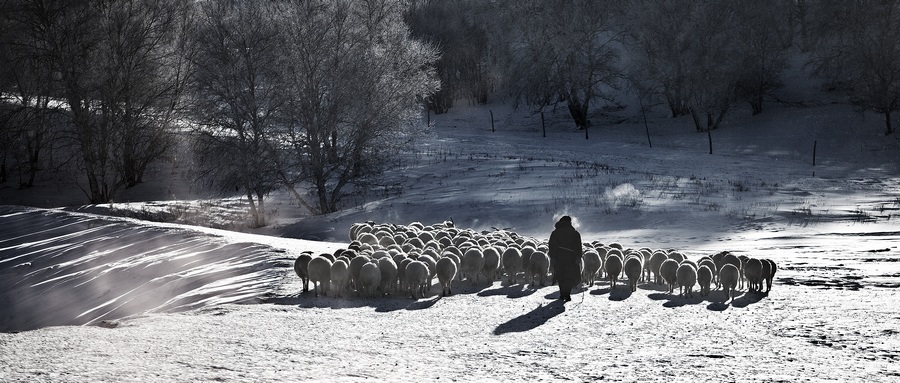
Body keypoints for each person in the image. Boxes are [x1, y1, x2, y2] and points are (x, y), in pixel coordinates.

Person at [548, 216, 582, 302]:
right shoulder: (575, 233)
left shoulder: (555, 232)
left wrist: (553, 257)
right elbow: (578, 246)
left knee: (561, 276)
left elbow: (552, 245)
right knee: (569, 276)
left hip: (559, 257)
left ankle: (562, 294)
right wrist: (578, 256)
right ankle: (567, 294)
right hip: (571, 258)